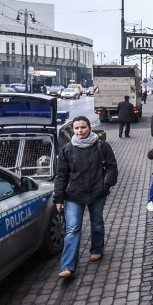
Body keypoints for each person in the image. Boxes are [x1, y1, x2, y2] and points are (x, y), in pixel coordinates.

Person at [53, 116, 118, 278]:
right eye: (76, 128)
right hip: (73, 195)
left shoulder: (101, 146)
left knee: (96, 223)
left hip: (96, 192)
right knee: (73, 228)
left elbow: (111, 167)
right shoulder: (67, 149)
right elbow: (61, 175)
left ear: (89, 127)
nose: (80, 131)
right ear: (73, 130)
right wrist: (59, 198)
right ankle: (67, 266)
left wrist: (106, 186)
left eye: (83, 127)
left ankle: (96, 249)